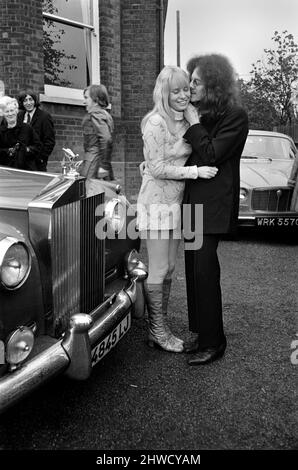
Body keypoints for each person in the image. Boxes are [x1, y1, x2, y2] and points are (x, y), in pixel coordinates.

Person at [137, 66, 218, 353]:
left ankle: (160, 327)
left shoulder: (185, 120)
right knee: (158, 268)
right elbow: (157, 168)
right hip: (157, 202)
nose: (184, 95)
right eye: (177, 90)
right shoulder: (156, 123)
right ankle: (157, 330)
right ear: (165, 93)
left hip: (175, 203)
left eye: (186, 89)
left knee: (169, 267)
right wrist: (196, 172)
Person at [182, 54, 249, 366]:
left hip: (213, 207)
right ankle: (201, 333)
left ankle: (214, 342)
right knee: (194, 271)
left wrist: (193, 122)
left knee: (206, 272)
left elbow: (210, 155)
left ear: (213, 84)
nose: (191, 86)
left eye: (196, 82)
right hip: (193, 204)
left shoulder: (235, 116)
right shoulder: (203, 116)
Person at [80, 84, 115, 180]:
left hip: (93, 164)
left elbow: (106, 139)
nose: (84, 102)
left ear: (95, 100)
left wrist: (103, 166)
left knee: (88, 192)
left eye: (86, 98)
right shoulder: (104, 115)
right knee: (104, 192)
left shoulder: (96, 115)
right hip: (97, 162)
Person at [17, 89, 55, 171]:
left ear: (35, 100)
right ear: (22, 103)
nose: (28, 103)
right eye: (25, 100)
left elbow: (50, 141)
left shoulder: (44, 117)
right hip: (21, 162)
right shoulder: (19, 116)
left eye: (30, 99)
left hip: (37, 163)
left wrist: (41, 158)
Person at [0, 96, 41, 170]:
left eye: (12, 110)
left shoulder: (27, 128)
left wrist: (27, 150)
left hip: (26, 170)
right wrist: (8, 151)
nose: (10, 114)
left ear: (16, 111)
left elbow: (38, 146)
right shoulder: (1, 131)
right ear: (3, 114)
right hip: (6, 171)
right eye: (7, 111)